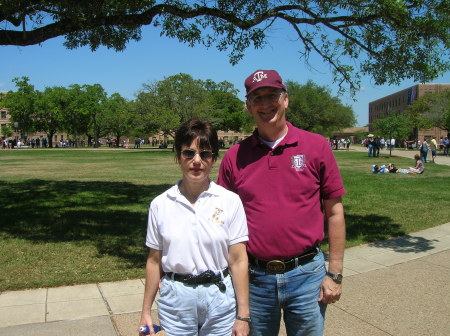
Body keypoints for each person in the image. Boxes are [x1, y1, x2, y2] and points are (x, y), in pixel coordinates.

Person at [218, 70, 346, 336]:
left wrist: (334, 273)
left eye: (271, 96)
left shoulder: (316, 146)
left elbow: (334, 212)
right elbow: (221, 221)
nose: (265, 104)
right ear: (248, 106)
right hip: (254, 279)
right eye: (257, 98)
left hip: (307, 276)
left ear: (285, 100)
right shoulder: (234, 156)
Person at [139, 119, 250, 336]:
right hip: (176, 300)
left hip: (219, 299)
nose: (196, 161)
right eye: (189, 153)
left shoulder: (230, 201)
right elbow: (154, 261)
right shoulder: (160, 204)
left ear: (214, 158)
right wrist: (145, 312)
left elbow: (238, 259)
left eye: (205, 154)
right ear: (178, 156)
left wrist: (243, 315)